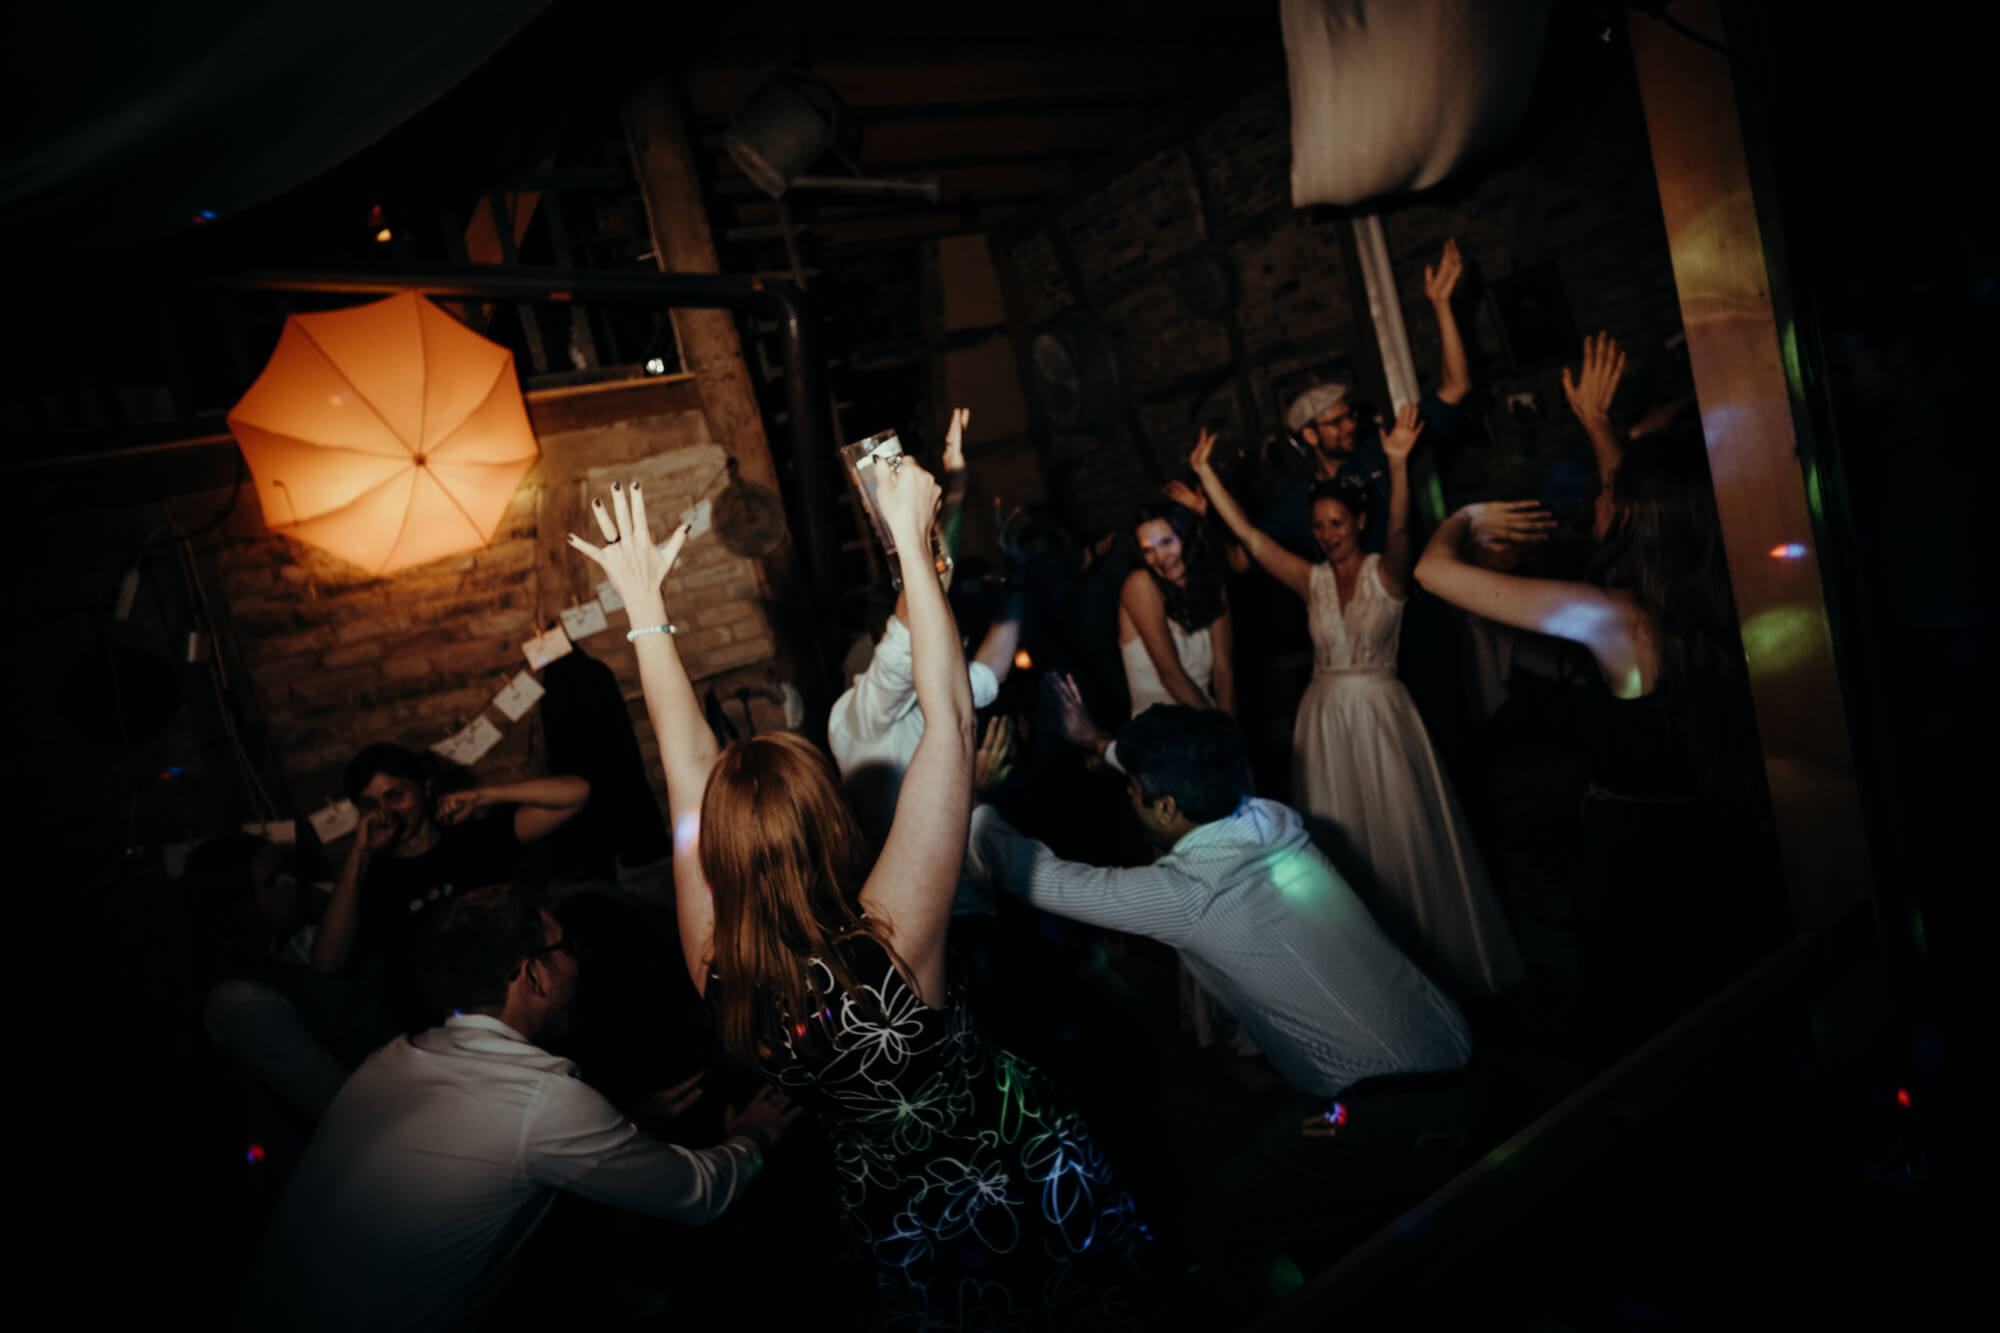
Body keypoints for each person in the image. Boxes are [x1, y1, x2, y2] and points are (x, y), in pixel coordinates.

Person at [569, 467, 1151, 1331]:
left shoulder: (714, 965)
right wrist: (915, 539)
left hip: (889, 1205)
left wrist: (645, 610)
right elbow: (951, 718)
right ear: (831, 825)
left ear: (718, 854)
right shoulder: (893, 937)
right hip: (1016, 1161)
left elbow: (686, 779)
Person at [1414, 332, 1772, 1053]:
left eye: (1609, 492)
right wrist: (1599, 423)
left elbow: (1433, 574)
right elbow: (1642, 498)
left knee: (1646, 1012)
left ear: (1634, 516)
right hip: (1703, 834)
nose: (1596, 495)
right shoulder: (1697, 587)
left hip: (1636, 855)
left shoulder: (1615, 621)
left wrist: (1465, 519)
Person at [241, 885, 797, 1332]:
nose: (577, 961)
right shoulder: (542, 1100)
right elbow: (698, 1195)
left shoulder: (390, 1059)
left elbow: (484, 1154)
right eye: (564, 948)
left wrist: (630, 1126)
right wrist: (753, 1140)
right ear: (533, 974)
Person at [971, 702, 1471, 1099]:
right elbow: (1191, 759)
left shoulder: (1187, 895)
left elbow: (1036, 877)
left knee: (1225, 1222)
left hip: (1392, 1103)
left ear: (1166, 807)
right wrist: (1100, 745)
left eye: (1133, 789)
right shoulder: (1268, 817)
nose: (1127, 794)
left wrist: (973, 800)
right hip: (1455, 1042)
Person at [1191, 417, 1524, 997]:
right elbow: (1251, 540)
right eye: (1318, 526)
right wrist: (1204, 476)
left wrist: (1395, 460)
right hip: (1323, 724)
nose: (1327, 534)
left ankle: (1426, 967)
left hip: (1380, 717)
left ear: (1358, 522)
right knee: (1343, 845)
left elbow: (1400, 529)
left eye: (1337, 523)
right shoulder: (1310, 580)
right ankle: (1363, 975)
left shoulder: (1388, 574)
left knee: (1400, 835)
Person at [829, 406, 1024, 872]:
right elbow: (916, 613)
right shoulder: (859, 722)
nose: (946, 632)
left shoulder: (927, 686)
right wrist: (927, 515)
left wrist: (1019, 583)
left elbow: (988, 672)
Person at [311, 743, 590, 1030]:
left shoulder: (471, 840)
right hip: (433, 1029)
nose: (385, 812)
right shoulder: (370, 876)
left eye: (396, 795)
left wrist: (484, 796)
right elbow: (326, 962)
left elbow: (576, 793)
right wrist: (360, 853)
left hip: (510, 1010)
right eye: (371, 804)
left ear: (425, 787)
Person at [186, 833, 392, 1120]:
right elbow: (338, 1099)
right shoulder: (239, 1002)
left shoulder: (307, 912)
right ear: (238, 904)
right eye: (273, 881)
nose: (291, 882)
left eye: (286, 871)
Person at [1120, 498, 1234, 718]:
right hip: (1161, 729)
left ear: (1188, 536)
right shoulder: (1140, 584)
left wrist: (1231, 732)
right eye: (1148, 550)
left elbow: (1224, 671)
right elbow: (1171, 674)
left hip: (1205, 714)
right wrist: (1218, 732)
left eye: (1166, 542)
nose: (1160, 558)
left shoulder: (1212, 582)